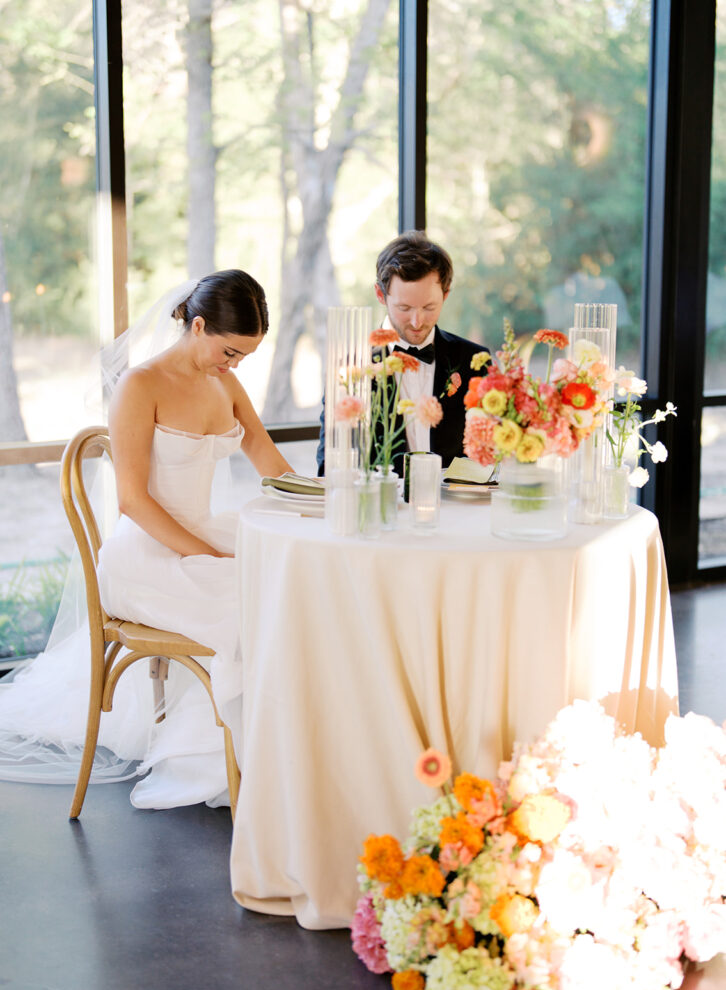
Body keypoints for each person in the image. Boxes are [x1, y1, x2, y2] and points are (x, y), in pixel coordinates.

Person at [0, 270, 292, 810]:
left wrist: (313, 499)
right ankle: (212, 760)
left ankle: (280, 749)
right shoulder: (141, 385)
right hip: (143, 552)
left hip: (199, 531)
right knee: (249, 600)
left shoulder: (224, 383)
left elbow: (268, 460)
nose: (234, 366)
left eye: (244, 358)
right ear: (197, 325)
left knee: (289, 583)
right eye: (229, 351)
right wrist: (211, 554)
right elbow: (133, 500)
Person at [316, 230, 486, 475]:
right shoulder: (353, 366)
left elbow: (491, 457)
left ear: (446, 294)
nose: (417, 321)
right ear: (380, 295)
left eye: (429, 307)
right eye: (404, 308)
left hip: (457, 509)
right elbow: (329, 466)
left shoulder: (473, 361)